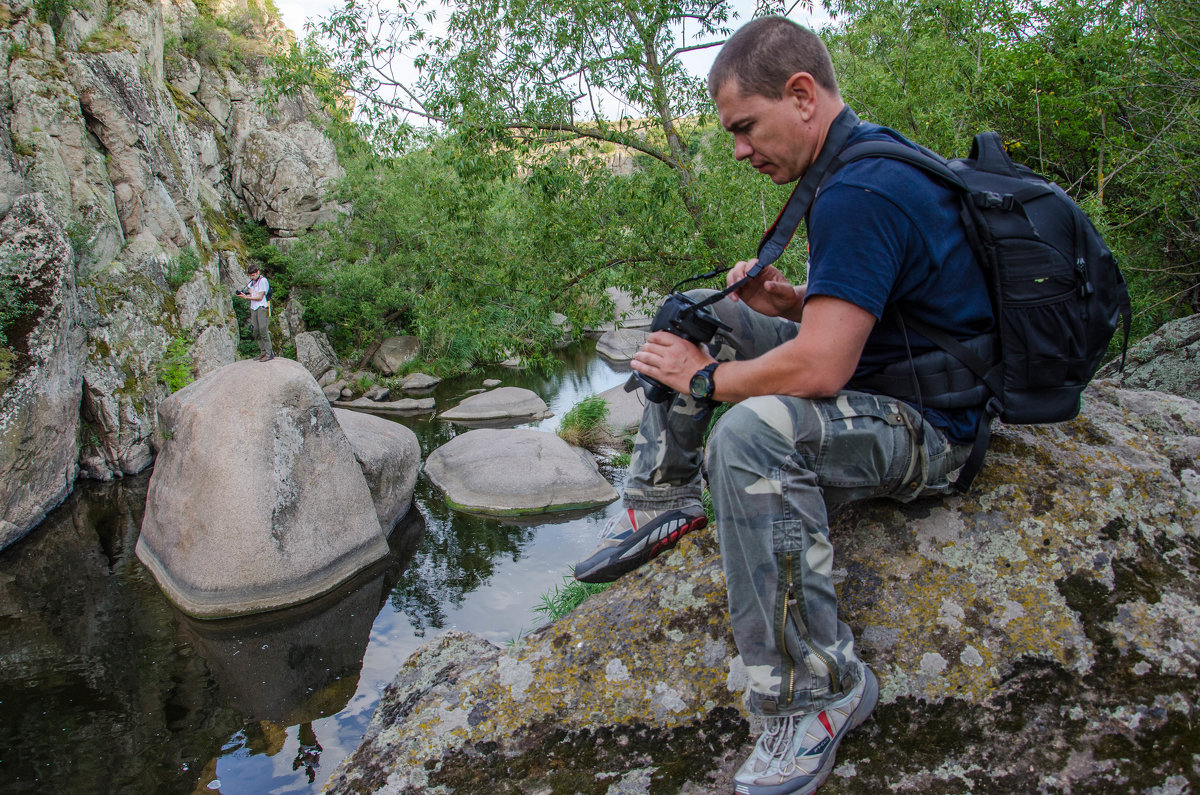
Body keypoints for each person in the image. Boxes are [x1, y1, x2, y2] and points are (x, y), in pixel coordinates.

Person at [573, 15, 994, 795]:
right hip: (886, 375)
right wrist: (794, 302)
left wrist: (705, 379)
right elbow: (873, 319)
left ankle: (821, 692)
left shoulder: (861, 187)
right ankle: (661, 497)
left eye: (744, 126)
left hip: (934, 429)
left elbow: (825, 366)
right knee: (694, 310)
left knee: (749, 436)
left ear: (801, 95)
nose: (738, 149)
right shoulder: (861, 160)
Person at [236, 265, 273, 361]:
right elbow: (251, 293)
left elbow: (260, 297)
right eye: (251, 276)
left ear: (258, 272)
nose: (252, 277)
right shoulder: (251, 283)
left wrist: (247, 298)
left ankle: (269, 353)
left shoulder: (263, 281)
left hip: (261, 307)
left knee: (263, 330)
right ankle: (263, 352)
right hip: (253, 307)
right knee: (256, 330)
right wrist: (244, 295)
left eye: (253, 275)